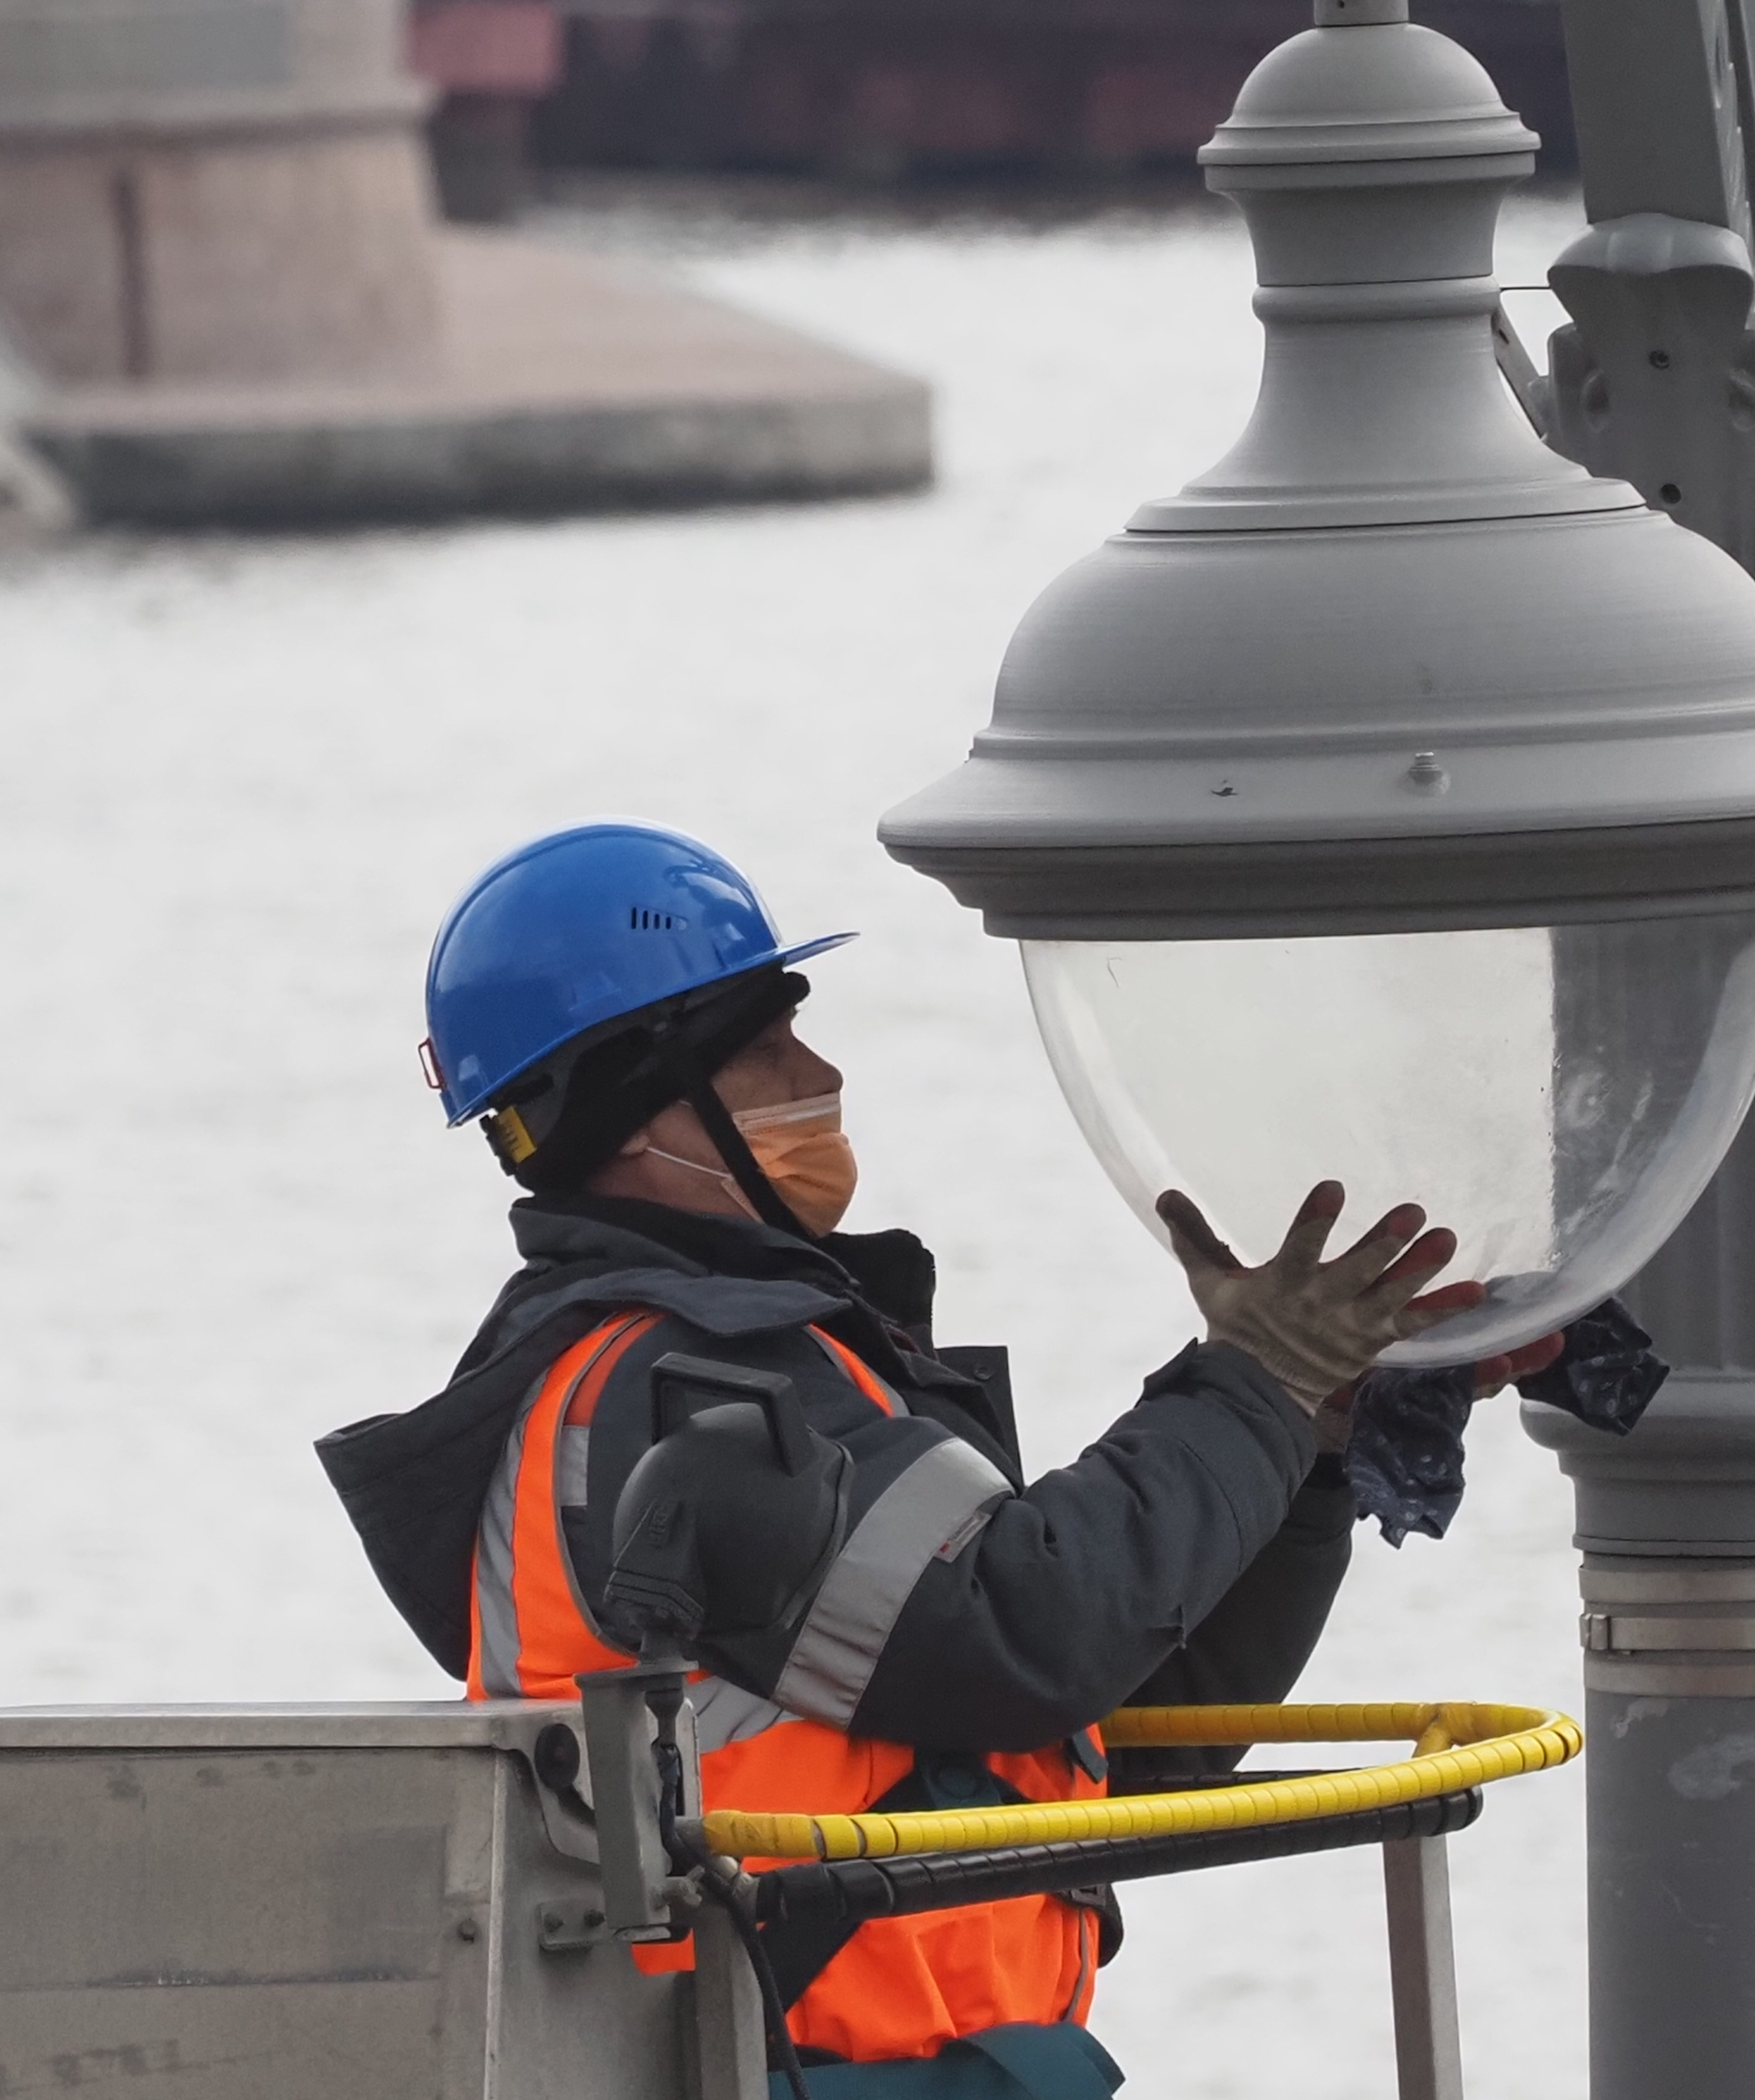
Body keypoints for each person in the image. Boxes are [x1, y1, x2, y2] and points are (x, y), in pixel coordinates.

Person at [318, 820, 1504, 2100]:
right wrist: (1257, 1377)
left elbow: (1098, 1725)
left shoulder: (769, 1369)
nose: (819, 1071)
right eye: (767, 1047)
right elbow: (1032, 1630)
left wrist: (1304, 1443)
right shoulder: (682, 1391)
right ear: (629, 1101)